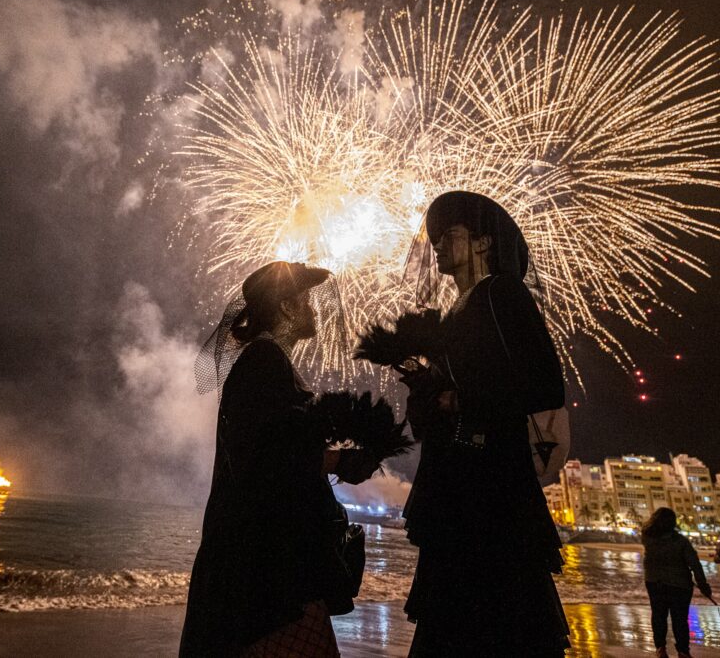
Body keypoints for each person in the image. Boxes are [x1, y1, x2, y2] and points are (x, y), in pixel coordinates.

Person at [390, 191, 569, 656]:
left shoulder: (500, 293)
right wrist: (424, 389)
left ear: (484, 243)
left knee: (489, 614)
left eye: (449, 235)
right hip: (459, 485)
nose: (438, 246)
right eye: (434, 239)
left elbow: (544, 384)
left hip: (489, 489)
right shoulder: (453, 311)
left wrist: (455, 398)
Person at [180, 261, 379, 657]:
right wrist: (339, 462)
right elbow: (272, 461)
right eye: (305, 299)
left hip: (264, 575)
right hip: (268, 581)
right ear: (287, 308)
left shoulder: (264, 361)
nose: (315, 308)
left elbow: (274, 450)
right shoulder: (265, 361)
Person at [641, 507, 712, 658]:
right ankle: (683, 651)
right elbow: (694, 564)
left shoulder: (647, 538)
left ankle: (660, 648)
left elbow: (647, 531)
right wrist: (703, 584)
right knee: (680, 619)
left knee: (658, 616)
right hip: (679, 585)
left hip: (654, 582)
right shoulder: (681, 542)